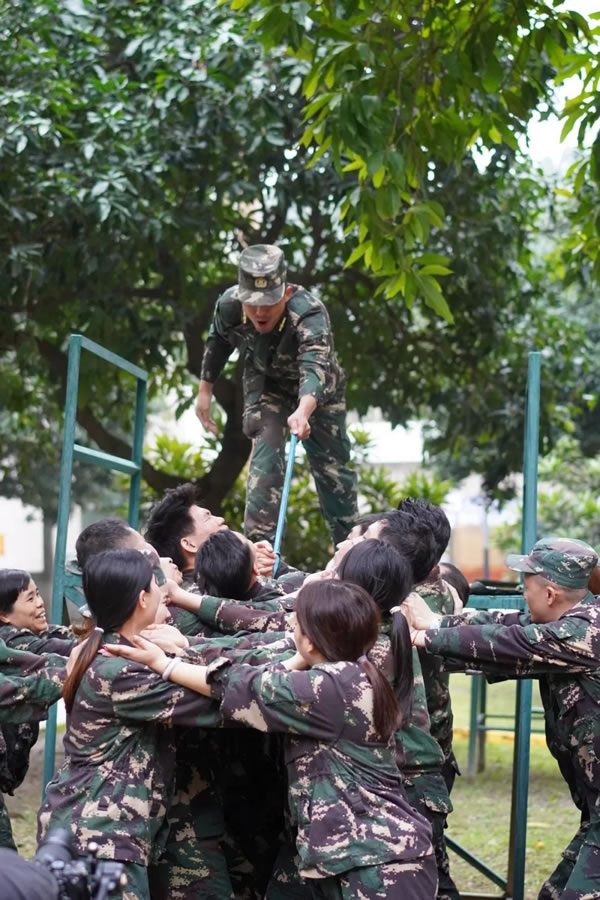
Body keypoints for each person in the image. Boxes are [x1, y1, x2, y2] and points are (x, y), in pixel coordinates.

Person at [108, 579, 437, 899]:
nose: (291, 629)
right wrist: (300, 656)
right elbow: (272, 676)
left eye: (297, 625)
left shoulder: (325, 688)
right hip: (368, 854)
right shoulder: (355, 673)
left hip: (377, 862)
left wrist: (163, 664)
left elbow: (241, 684)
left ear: (310, 641)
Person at [406, 536, 600, 900]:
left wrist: (427, 636)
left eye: (526, 587)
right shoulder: (570, 619)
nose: (522, 595)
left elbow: (514, 643)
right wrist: (439, 621)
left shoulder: (585, 633)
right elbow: (508, 623)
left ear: (550, 594)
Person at [37, 549, 229, 900]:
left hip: (95, 834)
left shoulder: (117, 652)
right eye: (157, 584)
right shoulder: (122, 670)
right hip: (98, 839)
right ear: (143, 599)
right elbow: (225, 700)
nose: (163, 589)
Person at [196, 243, 358, 546]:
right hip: (266, 383)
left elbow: (315, 366)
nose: (259, 311)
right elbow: (218, 341)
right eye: (252, 302)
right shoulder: (229, 305)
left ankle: (350, 552)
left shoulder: (309, 312)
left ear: (285, 293)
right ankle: (260, 555)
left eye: (268, 302)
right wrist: (204, 390)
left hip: (319, 394)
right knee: (265, 458)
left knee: (333, 473)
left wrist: (303, 410)